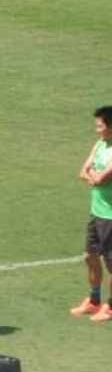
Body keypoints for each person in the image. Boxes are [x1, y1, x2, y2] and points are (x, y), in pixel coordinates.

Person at [72, 106, 112, 320]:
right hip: (97, 211)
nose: (97, 130)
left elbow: (99, 179)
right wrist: (93, 175)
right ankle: (94, 300)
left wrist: (94, 176)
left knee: (111, 263)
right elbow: (83, 172)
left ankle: (111, 306)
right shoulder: (100, 145)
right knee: (90, 256)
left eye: (100, 126)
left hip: (111, 216)